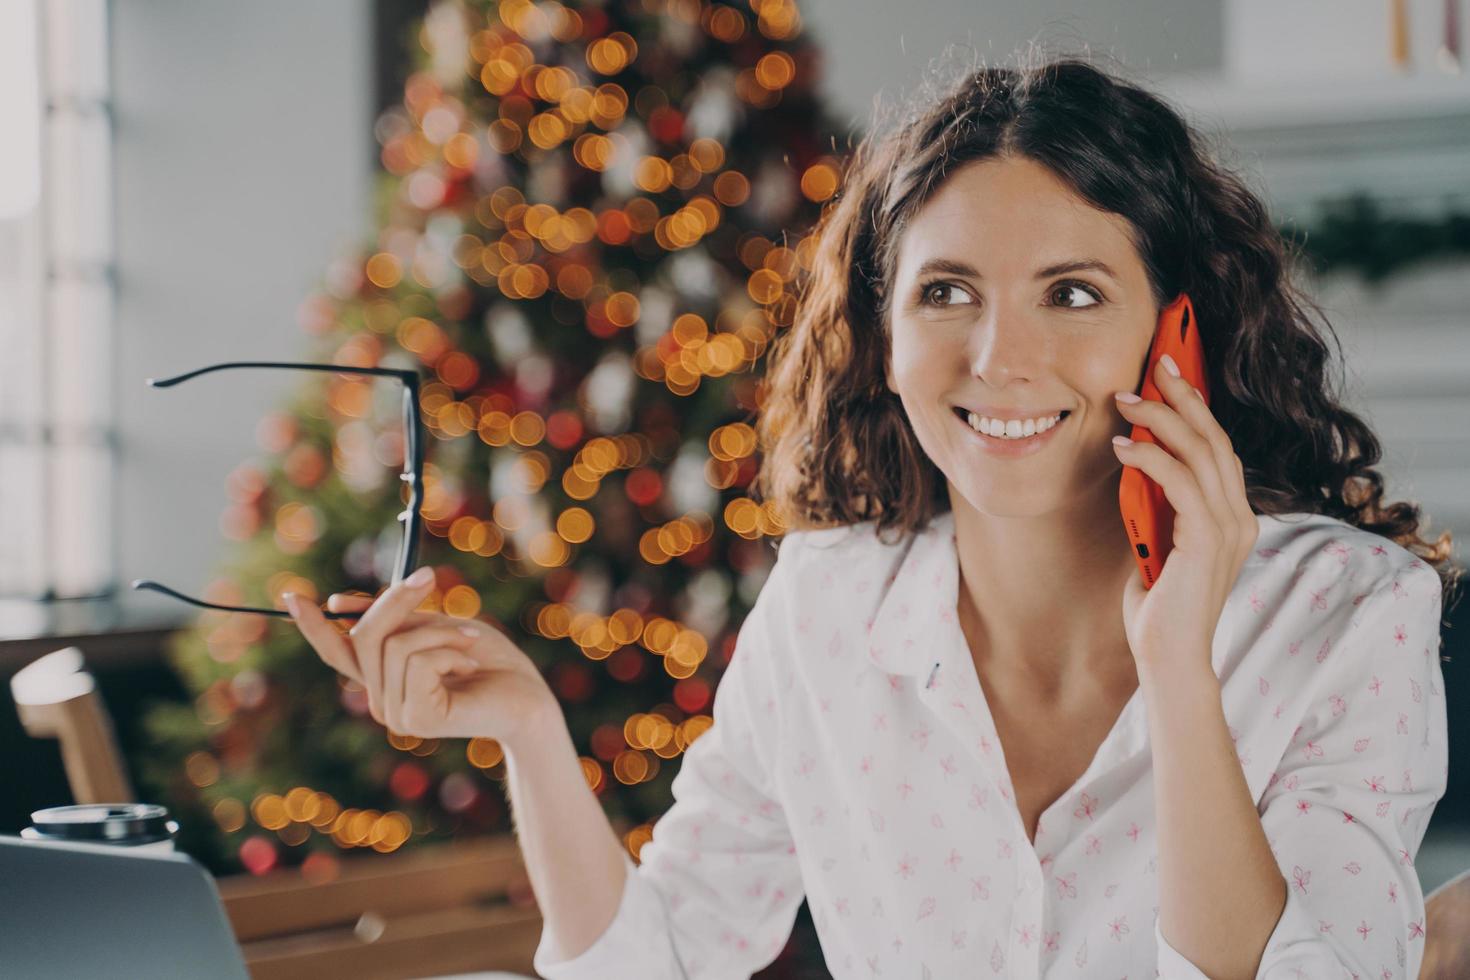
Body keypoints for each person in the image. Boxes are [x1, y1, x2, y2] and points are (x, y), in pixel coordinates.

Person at [285, 50, 1460, 979]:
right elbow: (666, 960)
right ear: (884, 337)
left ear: (1179, 334)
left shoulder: (1351, 613)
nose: (1000, 357)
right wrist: (528, 732)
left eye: (1074, 292)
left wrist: (1182, 670)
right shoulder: (828, 599)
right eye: (946, 292)